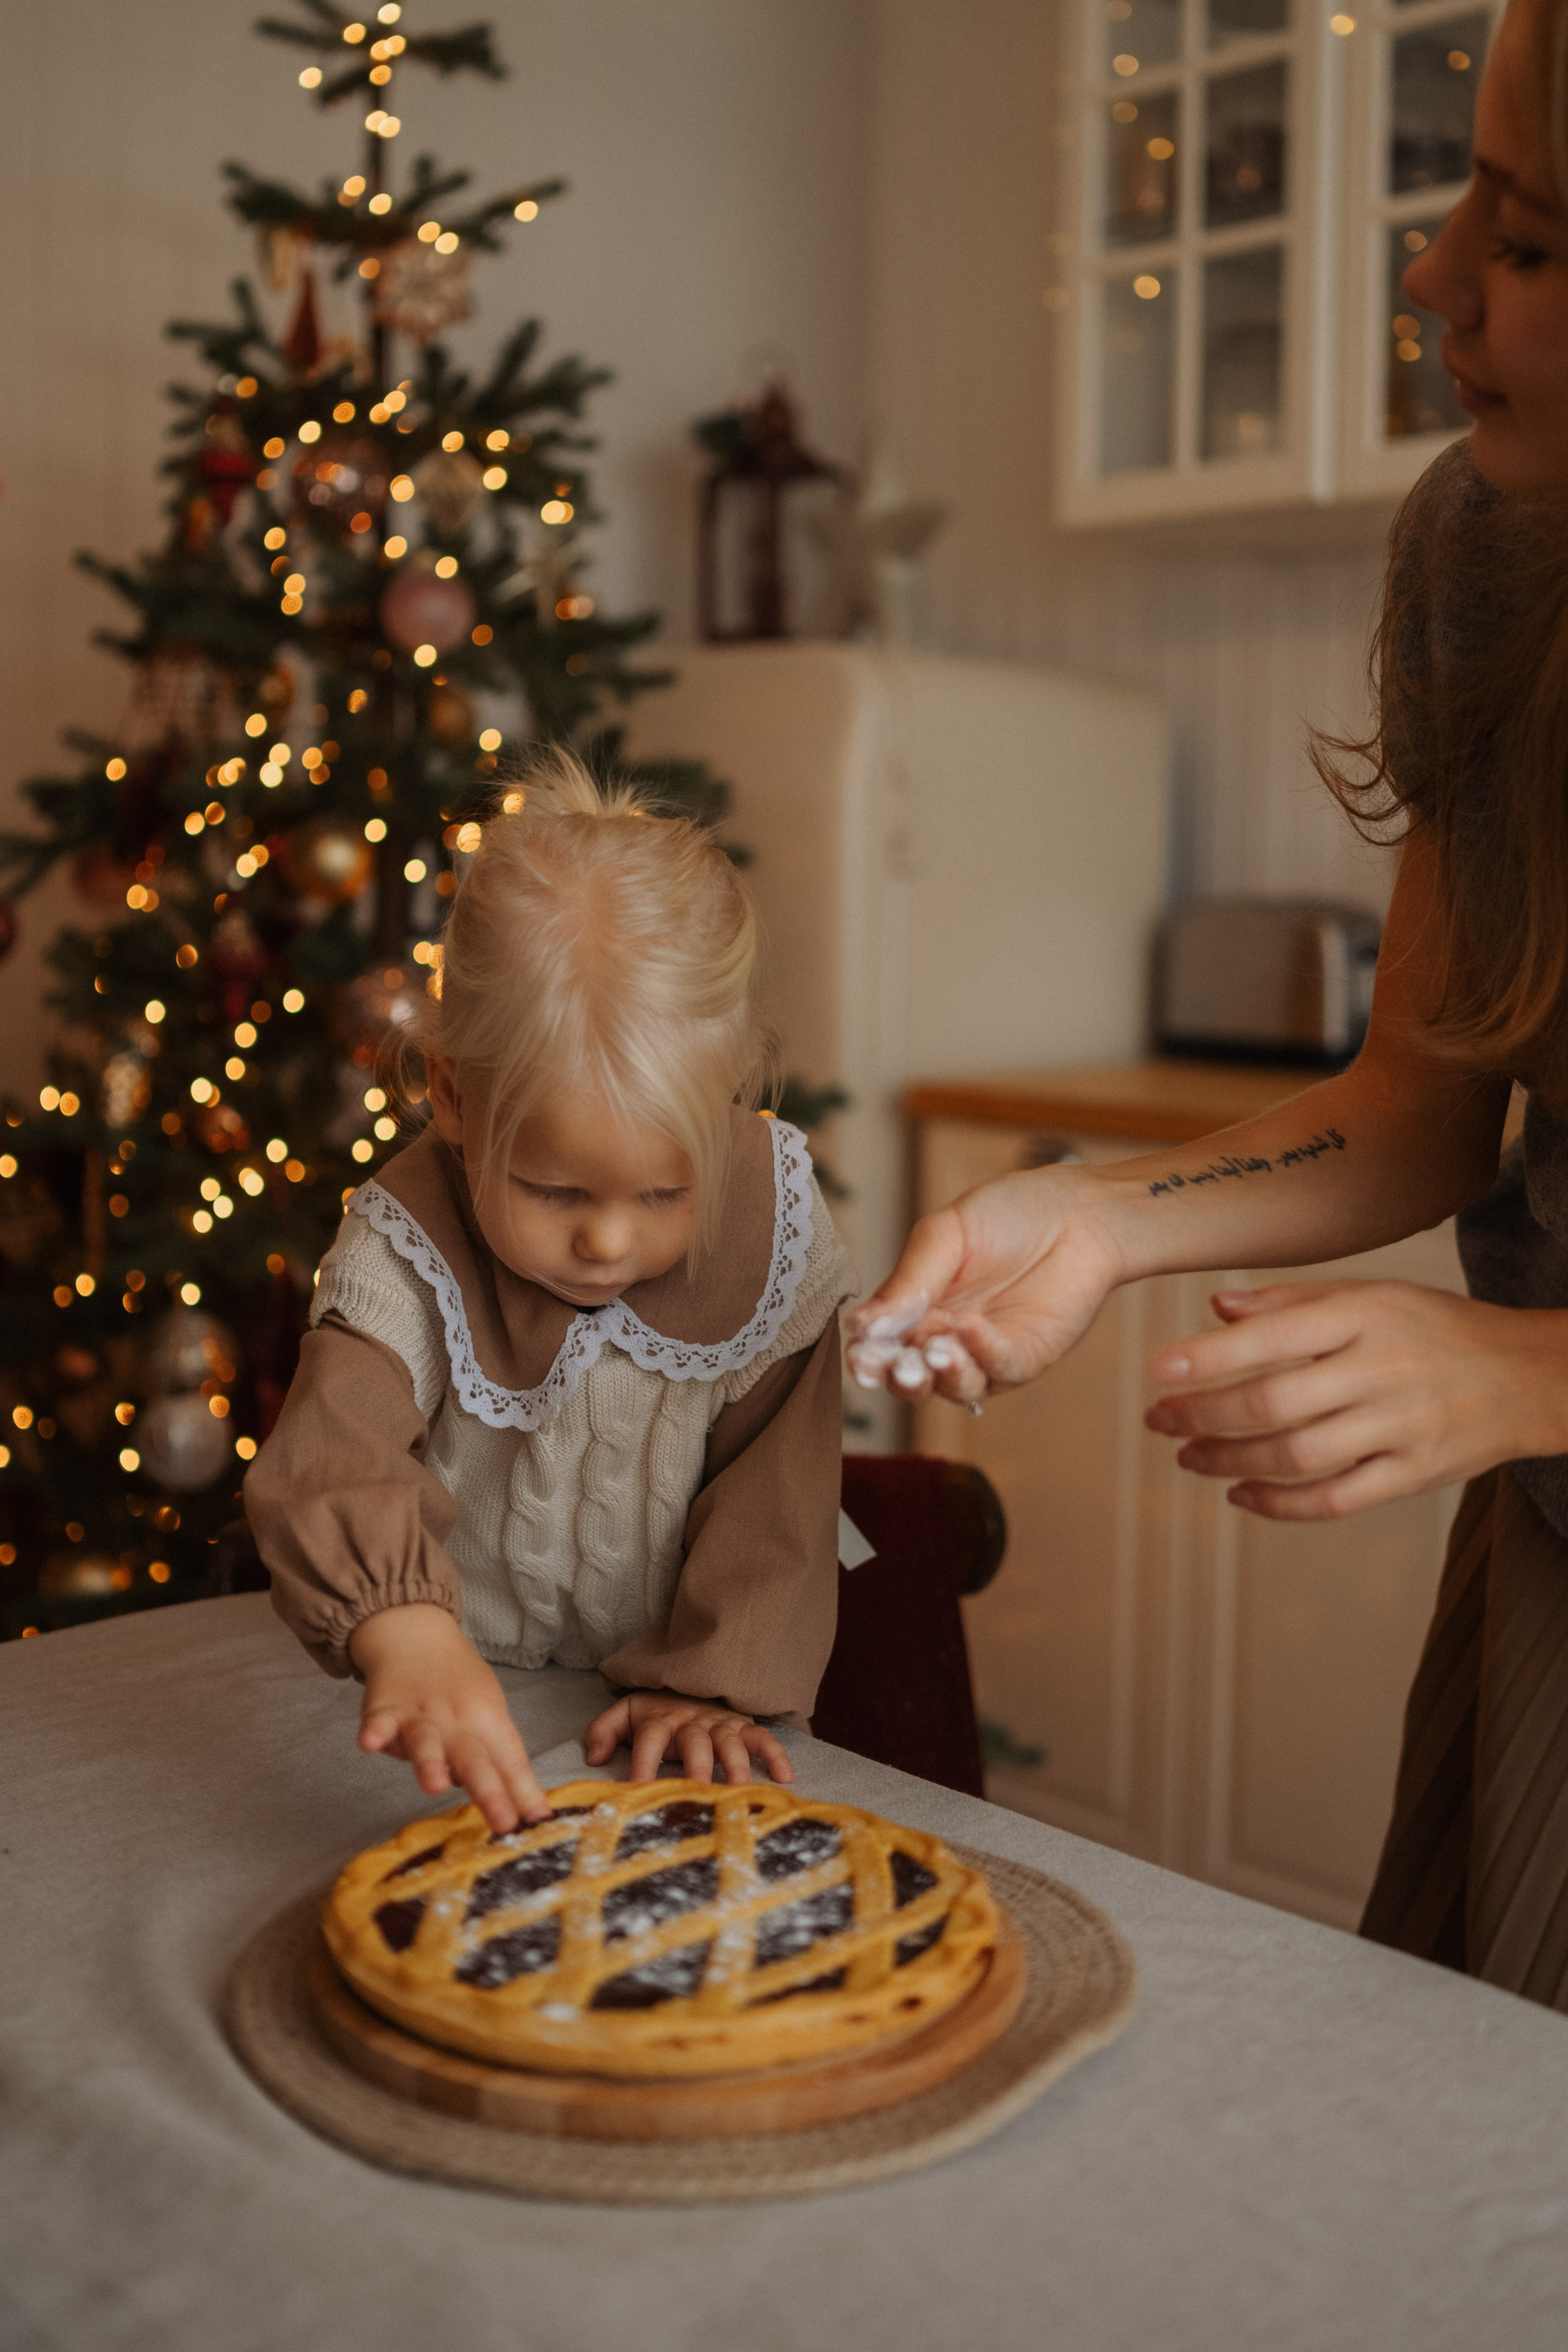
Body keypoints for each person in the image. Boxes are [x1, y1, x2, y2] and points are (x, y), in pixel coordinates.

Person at [849, 0, 1568, 2009]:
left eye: (1526, 243)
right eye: (1465, 204)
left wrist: (1526, 1378)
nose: (1432, 278)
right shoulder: (1489, 551)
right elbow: (1419, 1105)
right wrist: (1088, 1215)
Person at [249, 752, 854, 1833]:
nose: (609, 1240)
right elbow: (330, 1457)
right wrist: (404, 1628)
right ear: (452, 1094)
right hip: (448, 1687)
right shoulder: (406, 1238)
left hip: (669, 1715)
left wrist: (708, 1683)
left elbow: (781, 1500)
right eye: (555, 1188)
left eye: (667, 1190)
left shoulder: (777, 1237)